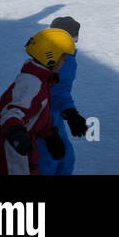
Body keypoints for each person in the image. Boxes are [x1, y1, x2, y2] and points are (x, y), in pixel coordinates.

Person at [0, 28, 76, 175]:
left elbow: (37, 113)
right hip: (12, 148)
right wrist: (16, 132)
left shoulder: (43, 79)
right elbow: (12, 112)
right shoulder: (31, 83)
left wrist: (49, 135)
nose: (63, 63)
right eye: (62, 58)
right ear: (50, 56)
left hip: (25, 146)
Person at [36, 16, 88, 175]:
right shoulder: (62, 60)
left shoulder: (54, 55)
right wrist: (71, 112)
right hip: (43, 118)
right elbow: (57, 92)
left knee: (65, 157)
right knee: (50, 159)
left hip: (53, 116)